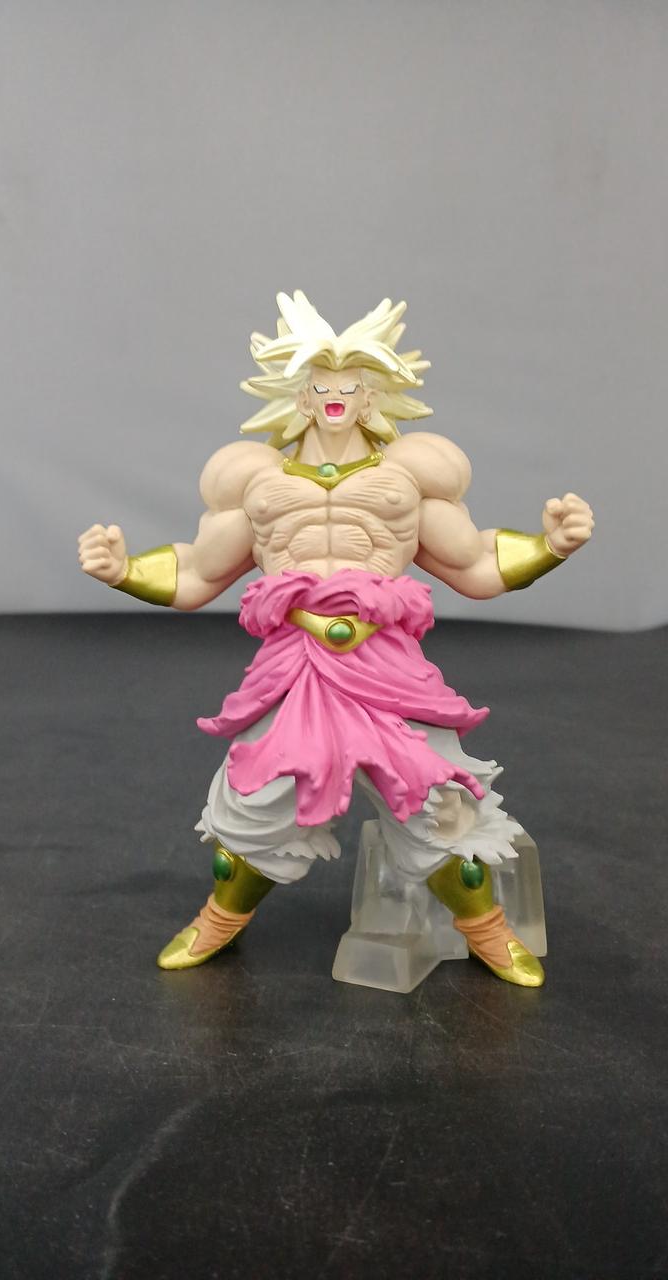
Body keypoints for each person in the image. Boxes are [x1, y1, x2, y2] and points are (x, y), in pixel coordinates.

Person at [78, 292, 593, 987]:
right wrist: (123, 571)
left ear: (372, 398)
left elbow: (473, 565)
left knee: (439, 801)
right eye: (321, 386)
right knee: (253, 802)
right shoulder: (256, 482)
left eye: (349, 387)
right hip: (294, 664)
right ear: (298, 397)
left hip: (385, 664)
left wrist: (551, 546)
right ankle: (219, 920)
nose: (334, 398)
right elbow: (199, 573)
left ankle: (487, 930)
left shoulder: (407, 478)